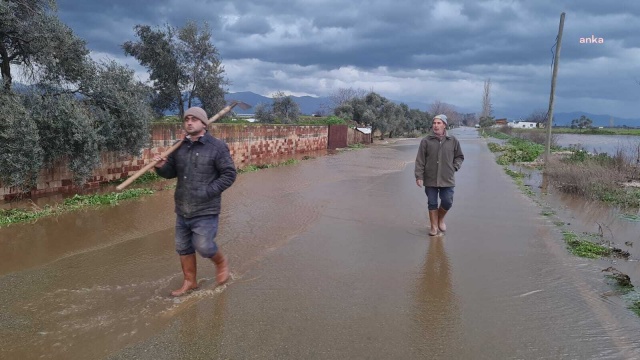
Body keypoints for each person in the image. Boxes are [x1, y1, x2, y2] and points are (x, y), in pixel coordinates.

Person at [154, 106, 237, 296]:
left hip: (206, 209)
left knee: (204, 246)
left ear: (203, 123)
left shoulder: (217, 147)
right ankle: (190, 282)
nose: (189, 122)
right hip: (182, 207)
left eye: (194, 119)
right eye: (186, 119)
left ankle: (221, 262)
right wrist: (161, 166)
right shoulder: (179, 146)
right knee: (183, 247)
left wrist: (208, 191)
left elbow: (229, 174)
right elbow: (171, 173)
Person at [414, 114, 464, 236]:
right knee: (432, 202)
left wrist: (455, 166)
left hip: (447, 178)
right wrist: (419, 176)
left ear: (444, 125)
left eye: (439, 123)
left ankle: (440, 219)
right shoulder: (426, 141)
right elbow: (420, 160)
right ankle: (433, 227)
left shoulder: (452, 140)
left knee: (447, 201)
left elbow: (459, 156)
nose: (436, 126)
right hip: (430, 177)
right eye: (434, 123)